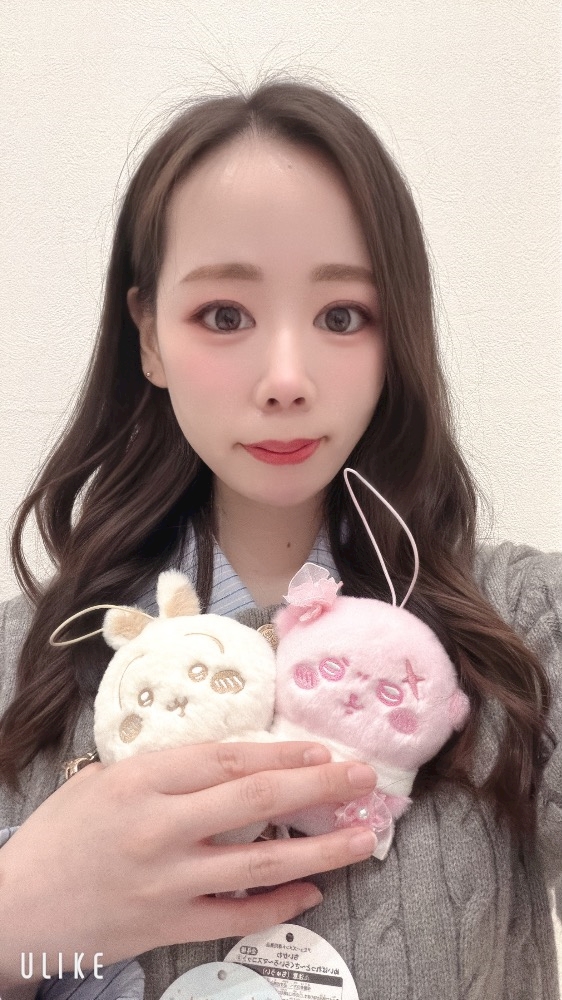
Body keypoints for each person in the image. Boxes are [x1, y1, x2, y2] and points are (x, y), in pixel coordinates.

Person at [0, 78, 560, 1000]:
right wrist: (17, 917)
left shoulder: (521, 628)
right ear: (149, 336)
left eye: (343, 316)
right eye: (225, 316)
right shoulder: (25, 660)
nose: (287, 378)